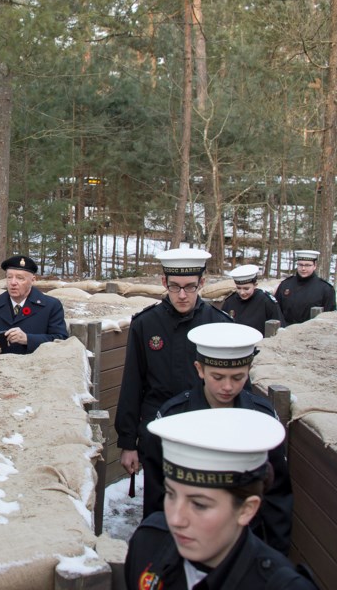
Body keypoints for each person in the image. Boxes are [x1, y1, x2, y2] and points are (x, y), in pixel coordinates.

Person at [142, 323, 293, 556]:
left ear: (249, 370)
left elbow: (277, 494)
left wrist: (273, 554)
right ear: (199, 369)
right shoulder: (173, 418)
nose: (227, 387)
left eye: (238, 377)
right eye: (218, 376)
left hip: (245, 547)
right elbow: (157, 493)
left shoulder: (261, 417)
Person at [125, 408, 317, 589]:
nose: (175, 519)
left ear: (246, 509)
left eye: (199, 505)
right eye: (171, 494)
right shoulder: (148, 544)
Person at [115, 247, 233, 513]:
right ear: (163, 282)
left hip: (204, 433)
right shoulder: (146, 324)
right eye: (175, 287)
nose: (182, 295)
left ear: (202, 283)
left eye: (190, 287)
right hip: (157, 433)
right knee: (158, 509)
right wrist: (127, 442)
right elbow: (132, 384)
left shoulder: (218, 324)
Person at [0, 255, 68, 354]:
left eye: (20, 278)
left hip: (35, 367)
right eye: (9, 277)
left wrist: (27, 339)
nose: (13, 282)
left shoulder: (51, 306)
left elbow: (61, 341)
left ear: (33, 280)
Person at [274, 250, 336, 325]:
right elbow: (275, 311)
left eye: (307, 265)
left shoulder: (325, 289)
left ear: (315, 266)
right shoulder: (285, 285)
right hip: (285, 332)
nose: (303, 268)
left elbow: (329, 317)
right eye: (300, 265)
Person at [221, 264, 285, 334]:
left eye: (246, 288)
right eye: (238, 288)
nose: (242, 292)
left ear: (255, 285)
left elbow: (279, 329)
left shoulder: (266, 301)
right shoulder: (230, 301)